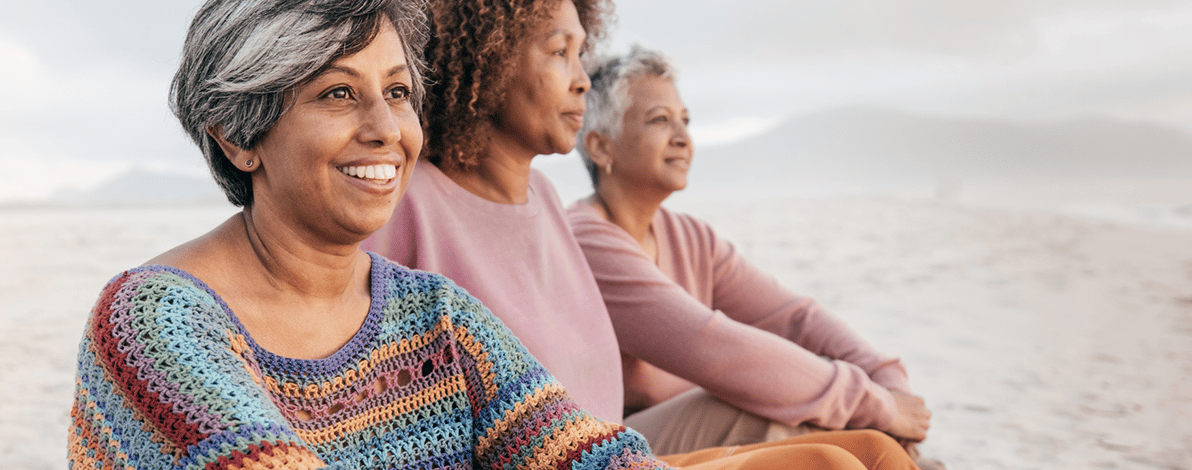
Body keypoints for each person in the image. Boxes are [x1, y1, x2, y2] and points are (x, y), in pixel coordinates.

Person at [66, 0, 900, 469]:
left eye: (397, 93)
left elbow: (576, 451)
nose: (385, 129)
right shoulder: (155, 321)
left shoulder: (435, 316)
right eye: (335, 95)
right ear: (237, 135)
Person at [361, 0, 919, 469]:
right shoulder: (411, 204)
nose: (582, 78)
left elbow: (791, 316)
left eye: (582, 52)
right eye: (560, 53)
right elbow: (709, 343)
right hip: (558, 458)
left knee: (874, 450)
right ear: (490, 61)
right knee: (833, 463)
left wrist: (886, 384)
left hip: (613, 452)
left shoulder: (546, 201)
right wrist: (872, 399)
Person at [566, 45, 939, 467]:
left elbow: (797, 318)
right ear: (600, 147)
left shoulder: (691, 237)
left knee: (851, 429)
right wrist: (878, 406)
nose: (683, 137)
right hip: (610, 449)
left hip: (684, 429)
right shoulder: (587, 240)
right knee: (757, 400)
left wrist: (884, 374)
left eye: (685, 120)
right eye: (660, 120)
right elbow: (715, 348)